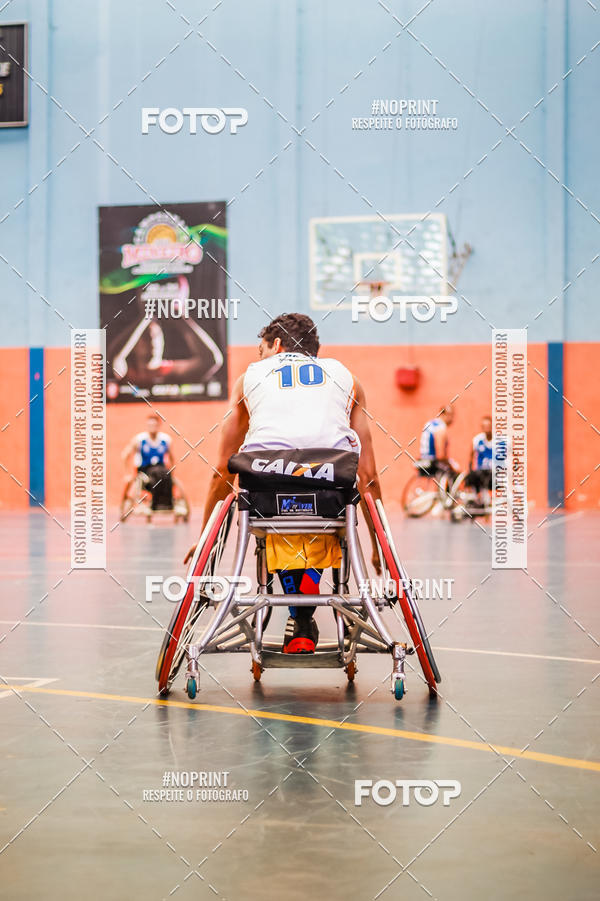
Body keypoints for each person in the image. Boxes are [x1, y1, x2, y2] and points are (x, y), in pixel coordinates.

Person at [184, 312, 383, 654]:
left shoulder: (251, 377)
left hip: (267, 491)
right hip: (330, 490)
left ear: (276, 345)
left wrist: (206, 536)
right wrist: (379, 544)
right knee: (319, 510)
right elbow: (369, 477)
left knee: (276, 506)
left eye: (260, 349)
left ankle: (300, 614)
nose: (258, 357)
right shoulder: (346, 377)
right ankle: (304, 614)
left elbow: (222, 468)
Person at [122, 414, 174, 511]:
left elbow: (172, 458)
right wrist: (127, 474)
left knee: (165, 473)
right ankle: (156, 503)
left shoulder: (165, 440)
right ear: (147, 426)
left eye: (154, 425)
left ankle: (167, 503)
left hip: (161, 469)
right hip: (145, 469)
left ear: (158, 426)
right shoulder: (139, 440)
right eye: (150, 425)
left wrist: (172, 473)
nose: (152, 427)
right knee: (157, 473)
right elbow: (125, 455)